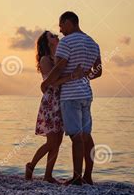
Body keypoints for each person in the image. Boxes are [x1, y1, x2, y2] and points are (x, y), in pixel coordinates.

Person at [41, 12, 102, 185]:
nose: (60, 30)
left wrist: (47, 83)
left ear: (69, 22)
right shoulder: (93, 43)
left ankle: (76, 177)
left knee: (76, 137)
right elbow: (98, 71)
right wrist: (83, 77)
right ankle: (88, 176)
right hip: (86, 94)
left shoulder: (66, 43)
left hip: (70, 95)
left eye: (61, 25)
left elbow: (60, 67)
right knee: (86, 135)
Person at [25, 31, 84, 183]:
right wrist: (73, 76)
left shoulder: (58, 57)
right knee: (51, 142)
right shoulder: (45, 59)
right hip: (51, 102)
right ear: (47, 42)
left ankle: (48, 175)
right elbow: (53, 82)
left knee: (57, 142)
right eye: (52, 36)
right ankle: (31, 165)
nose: (56, 37)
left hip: (61, 100)